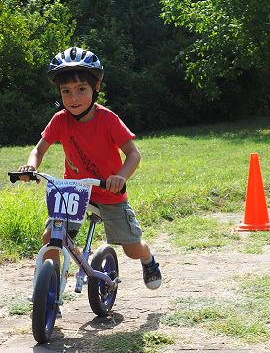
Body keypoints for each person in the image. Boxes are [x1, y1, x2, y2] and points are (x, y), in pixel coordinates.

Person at [18, 46, 162, 291]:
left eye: (81, 89)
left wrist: (120, 177)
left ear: (96, 89)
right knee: (50, 239)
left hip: (108, 191)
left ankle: (147, 258)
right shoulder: (59, 120)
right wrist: (30, 166)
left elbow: (133, 154)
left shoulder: (108, 120)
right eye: (66, 91)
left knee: (131, 248)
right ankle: (50, 290)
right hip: (73, 191)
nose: (73, 98)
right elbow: (39, 149)